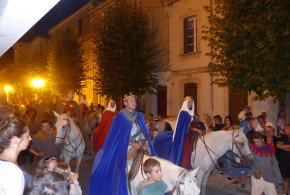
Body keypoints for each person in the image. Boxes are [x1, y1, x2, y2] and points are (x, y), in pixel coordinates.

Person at [89, 93, 155, 195]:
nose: (134, 103)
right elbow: (115, 138)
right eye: (131, 101)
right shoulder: (120, 117)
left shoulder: (140, 116)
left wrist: (144, 143)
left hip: (140, 146)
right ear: (125, 103)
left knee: (152, 163)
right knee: (123, 169)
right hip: (125, 147)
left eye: (135, 101)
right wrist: (132, 144)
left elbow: (143, 133)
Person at [55, 89, 94, 157]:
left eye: (73, 94)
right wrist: (68, 119)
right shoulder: (60, 102)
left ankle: (85, 148)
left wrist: (76, 118)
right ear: (67, 94)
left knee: (82, 132)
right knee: (59, 134)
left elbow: (77, 114)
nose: (73, 95)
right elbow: (59, 114)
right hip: (64, 122)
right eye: (71, 94)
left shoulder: (74, 103)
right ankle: (58, 150)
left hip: (74, 122)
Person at [0, 117, 32, 194]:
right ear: (16, 140)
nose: (30, 138)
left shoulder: (4, 163)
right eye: (27, 135)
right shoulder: (13, 173)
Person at [169, 96, 194, 167]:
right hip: (184, 134)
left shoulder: (188, 113)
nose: (190, 104)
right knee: (187, 150)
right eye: (189, 102)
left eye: (191, 102)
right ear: (185, 103)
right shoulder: (183, 113)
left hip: (187, 133)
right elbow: (184, 127)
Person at [276, 124, 290, 195]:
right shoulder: (283, 137)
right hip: (284, 161)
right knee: (285, 178)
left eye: (286, 128)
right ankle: (285, 193)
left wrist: (284, 147)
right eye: (284, 128)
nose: (284, 130)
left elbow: (282, 146)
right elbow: (278, 145)